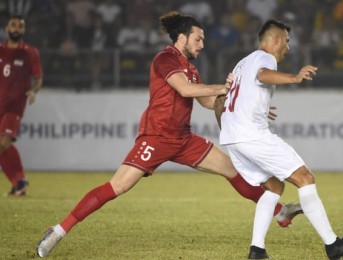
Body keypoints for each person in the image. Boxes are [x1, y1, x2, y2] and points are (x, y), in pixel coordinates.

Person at [36, 12, 302, 258]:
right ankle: (59, 230)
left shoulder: (191, 67)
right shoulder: (165, 59)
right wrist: (223, 86)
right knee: (117, 187)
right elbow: (185, 90)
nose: (202, 45)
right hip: (156, 137)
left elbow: (209, 102)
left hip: (183, 139)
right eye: (198, 39)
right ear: (182, 38)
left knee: (232, 169)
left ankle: (280, 213)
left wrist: (242, 101)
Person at [218, 19, 343, 259]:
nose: (287, 48)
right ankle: (333, 245)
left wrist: (255, 109)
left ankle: (257, 250)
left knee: (275, 186)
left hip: (232, 138)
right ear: (276, 40)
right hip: (251, 134)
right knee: (305, 178)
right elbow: (264, 75)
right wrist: (295, 78)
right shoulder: (265, 58)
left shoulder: (241, 64)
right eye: (286, 42)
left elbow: (232, 96)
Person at [0, 15, 43, 196]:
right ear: (7, 28)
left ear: (24, 30)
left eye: (20, 26)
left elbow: (38, 79)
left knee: (4, 141)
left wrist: (33, 90)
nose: (16, 29)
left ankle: (21, 179)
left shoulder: (30, 52)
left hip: (15, 105)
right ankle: (17, 184)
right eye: (13, 25)